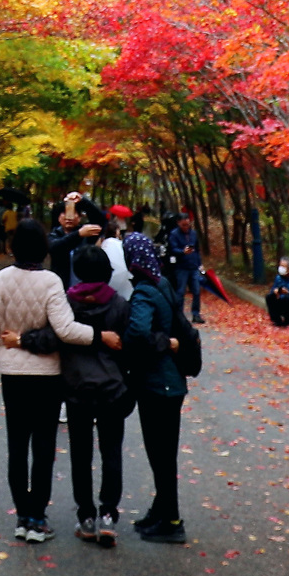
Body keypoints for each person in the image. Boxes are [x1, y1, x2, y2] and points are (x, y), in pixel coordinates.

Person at [0, 218, 96, 545]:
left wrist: (9, 343)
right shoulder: (51, 282)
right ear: (44, 247)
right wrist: (98, 336)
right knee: (44, 447)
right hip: (47, 376)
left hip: (12, 376)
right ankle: (37, 518)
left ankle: (21, 515)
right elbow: (66, 330)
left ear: (14, 246)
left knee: (17, 445)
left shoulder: (0, 279)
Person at [17, 244, 132, 547]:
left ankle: (87, 517)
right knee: (111, 452)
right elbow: (127, 347)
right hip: (111, 387)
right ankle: (108, 515)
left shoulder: (67, 303)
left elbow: (52, 337)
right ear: (107, 271)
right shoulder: (119, 304)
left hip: (76, 388)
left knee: (81, 455)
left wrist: (21, 339)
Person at [123, 231, 192, 543]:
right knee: (164, 454)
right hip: (172, 383)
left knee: (160, 454)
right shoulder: (162, 283)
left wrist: (163, 343)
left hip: (156, 385)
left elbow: (138, 332)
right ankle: (160, 511)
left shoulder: (143, 292)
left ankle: (172, 520)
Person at [168, 211, 204, 324]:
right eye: (183, 225)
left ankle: (196, 314)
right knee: (180, 292)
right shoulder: (174, 234)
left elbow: (197, 249)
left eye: (188, 224)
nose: (186, 227)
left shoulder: (193, 233)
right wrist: (182, 252)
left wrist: (200, 264)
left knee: (196, 291)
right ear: (178, 223)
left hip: (193, 266)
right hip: (181, 267)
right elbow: (172, 249)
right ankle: (179, 315)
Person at [49, 195, 87, 287]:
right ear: (58, 218)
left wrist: (83, 200)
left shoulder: (86, 234)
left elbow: (99, 220)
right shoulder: (53, 235)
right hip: (60, 287)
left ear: (79, 217)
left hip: (82, 288)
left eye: (73, 213)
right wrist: (78, 235)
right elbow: (55, 247)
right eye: (64, 213)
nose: (68, 217)